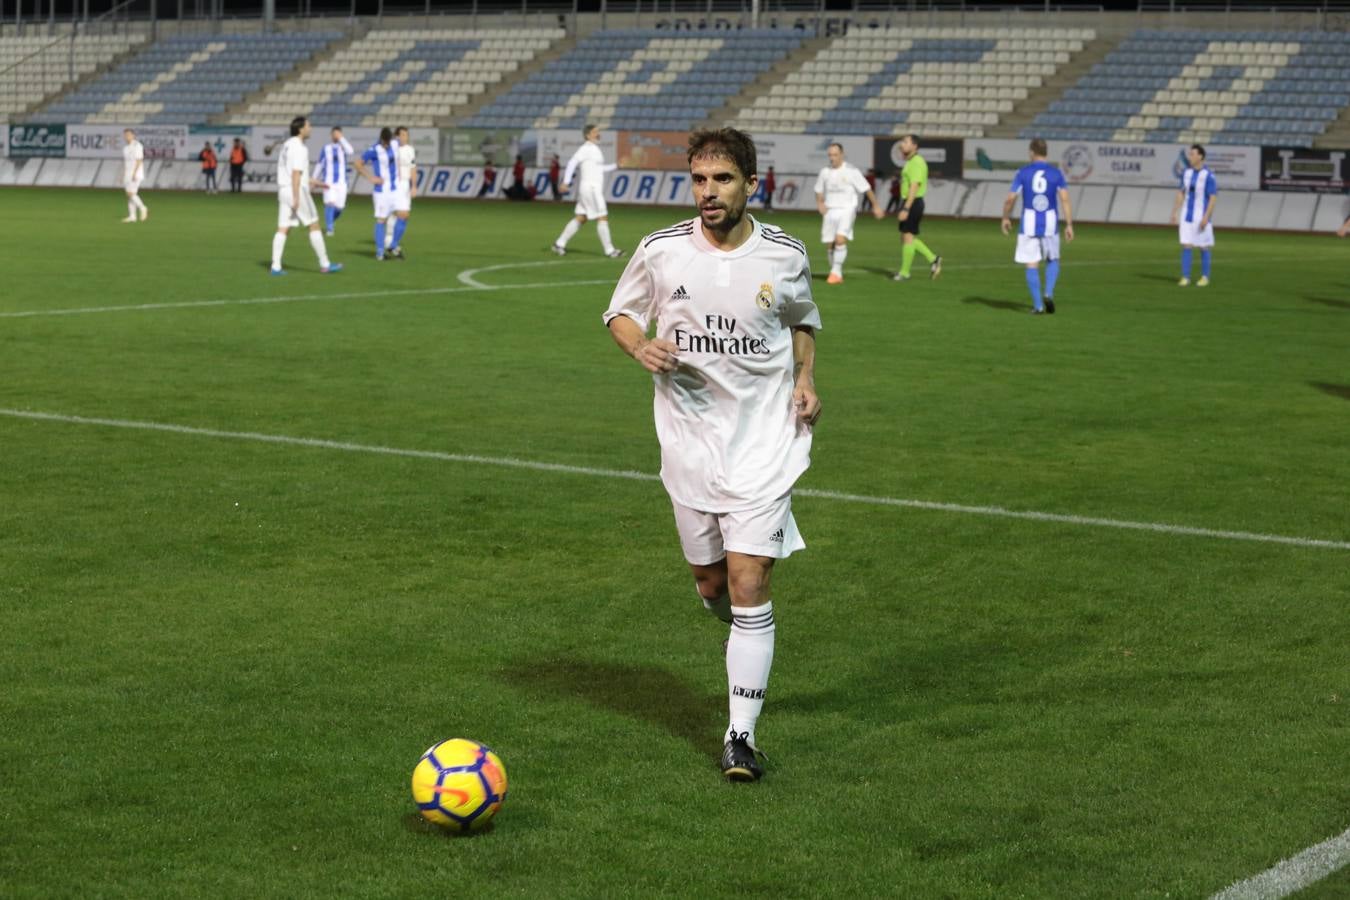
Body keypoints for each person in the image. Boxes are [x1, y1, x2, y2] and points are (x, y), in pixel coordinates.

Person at [603, 127, 820, 783]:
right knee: (712, 584)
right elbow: (618, 312)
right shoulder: (661, 250)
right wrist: (639, 345)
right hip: (689, 446)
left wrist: (806, 381)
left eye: (722, 179)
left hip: (764, 445)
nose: (708, 192)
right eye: (698, 180)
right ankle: (739, 633)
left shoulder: (783, 254)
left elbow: (803, 322)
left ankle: (739, 736)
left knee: (751, 581)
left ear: (751, 184)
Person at [1001, 138, 1074, 315]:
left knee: (1031, 263)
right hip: (1050, 222)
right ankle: (1048, 292)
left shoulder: (1023, 172)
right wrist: (1069, 224)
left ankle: (1038, 306)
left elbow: (1011, 198)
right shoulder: (1056, 173)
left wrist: (1005, 217)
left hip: (1029, 223)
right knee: (1053, 259)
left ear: (1032, 152)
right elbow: (1064, 199)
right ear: (1046, 153)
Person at [271, 116, 349, 276]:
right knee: (314, 224)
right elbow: (295, 173)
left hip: (283, 190)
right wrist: (296, 197)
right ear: (300, 129)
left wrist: (318, 183)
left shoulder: (286, 145)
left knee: (283, 228)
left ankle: (276, 266)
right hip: (296, 190)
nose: (310, 128)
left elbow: (296, 173)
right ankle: (325, 264)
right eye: (308, 125)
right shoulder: (300, 147)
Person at [814, 141, 883, 284]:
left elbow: (866, 189)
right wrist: (820, 203)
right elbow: (819, 190)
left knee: (840, 239)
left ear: (842, 155)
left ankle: (835, 272)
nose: (832, 158)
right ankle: (835, 272)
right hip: (830, 210)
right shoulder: (825, 172)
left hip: (847, 209)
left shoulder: (851, 171)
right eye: (830, 155)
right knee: (830, 244)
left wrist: (875, 206)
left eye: (835, 154)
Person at [552, 124, 623, 258]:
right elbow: (572, 162)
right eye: (595, 132)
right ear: (588, 135)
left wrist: (616, 165)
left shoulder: (594, 149)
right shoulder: (586, 149)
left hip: (589, 188)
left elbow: (599, 169)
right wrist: (566, 182)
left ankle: (559, 243)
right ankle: (610, 250)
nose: (598, 134)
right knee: (602, 216)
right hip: (591, 188)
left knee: (581, 218)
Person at [892, 134, 942, 282]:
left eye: (906, 142)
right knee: (907, 237)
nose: (902, 144)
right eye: (902, 142)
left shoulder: (917, 162)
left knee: (907, 237)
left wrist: (906, 208)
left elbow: (915, 185)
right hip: (910, 201)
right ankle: (934, 259)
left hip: (912, 202)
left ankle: (905, 272)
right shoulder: (911, 161)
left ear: (915, 146)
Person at [1169, 144, 1217, 287]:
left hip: (1201, 216)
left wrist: (1206, 217)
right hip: (1186, 216)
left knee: (1203, 246)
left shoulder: (1208, 175)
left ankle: (1205, 277)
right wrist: (1174, 212)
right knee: (1186, 245)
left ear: (1200, 156)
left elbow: (1213, 198)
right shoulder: (1186, 173)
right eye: (1189, 154)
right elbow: (1181, 193)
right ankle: (1185, 277)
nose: (1190, 157)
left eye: (1193, 154)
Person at [362, 127, 402, 261]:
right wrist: (371, 178)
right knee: (381, 220)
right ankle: (380, 252)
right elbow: (358, 163)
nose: (386, 145)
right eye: (384, 143)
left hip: (395, 189)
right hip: (381, 192)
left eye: (388, 143)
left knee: (402, 215)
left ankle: (392, 245)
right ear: (381, 140)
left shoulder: (395, 144)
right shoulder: (374, 150)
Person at [314, 126, 356, 236]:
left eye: (338, 133)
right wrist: (314, 179)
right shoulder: (326, 148)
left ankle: (330, 221)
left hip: (342, 183)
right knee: (330, 203)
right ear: (331, 135)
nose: (336, 135)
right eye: (334, 133)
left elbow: (351, 151)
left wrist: (341, 139)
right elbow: (320, 164)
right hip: (328, 182)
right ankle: (330, 229)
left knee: (339, 208)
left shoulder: (343, 148)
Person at [382, 125, 416, 259]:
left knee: (404, 216)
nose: (405, 138)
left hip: (405, 185)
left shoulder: (410, 150)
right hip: (394, 184)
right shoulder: (390, 148)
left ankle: (392, 244)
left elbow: (413, 168)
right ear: (396, 136)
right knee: (398, 214)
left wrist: (414, 186)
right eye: (402, 135)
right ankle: (392, 245)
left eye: (406, 135)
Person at [121, 129, 148, 223]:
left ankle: (143, 208)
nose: (126, 137)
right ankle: (132, 216)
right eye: (125, 135)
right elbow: (126, 163)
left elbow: (139, 160)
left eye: (128, 135)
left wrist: (134, 173)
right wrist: (124, 174)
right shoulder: (125, 148)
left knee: (130, 193)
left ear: (133, 135)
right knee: (130, 195)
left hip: (135, 173)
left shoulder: (137, 145)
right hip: (128, 173)